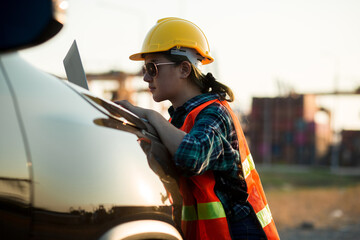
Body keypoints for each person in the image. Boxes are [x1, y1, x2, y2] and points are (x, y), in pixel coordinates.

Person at [116, 17, 279, 240]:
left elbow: (191, 155)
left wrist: (151, 115)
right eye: (145, 69)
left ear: (184, 69)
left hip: (240, 232)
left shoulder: (215, 113)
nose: (145, 77)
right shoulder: (179, 120)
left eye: (152, 68)